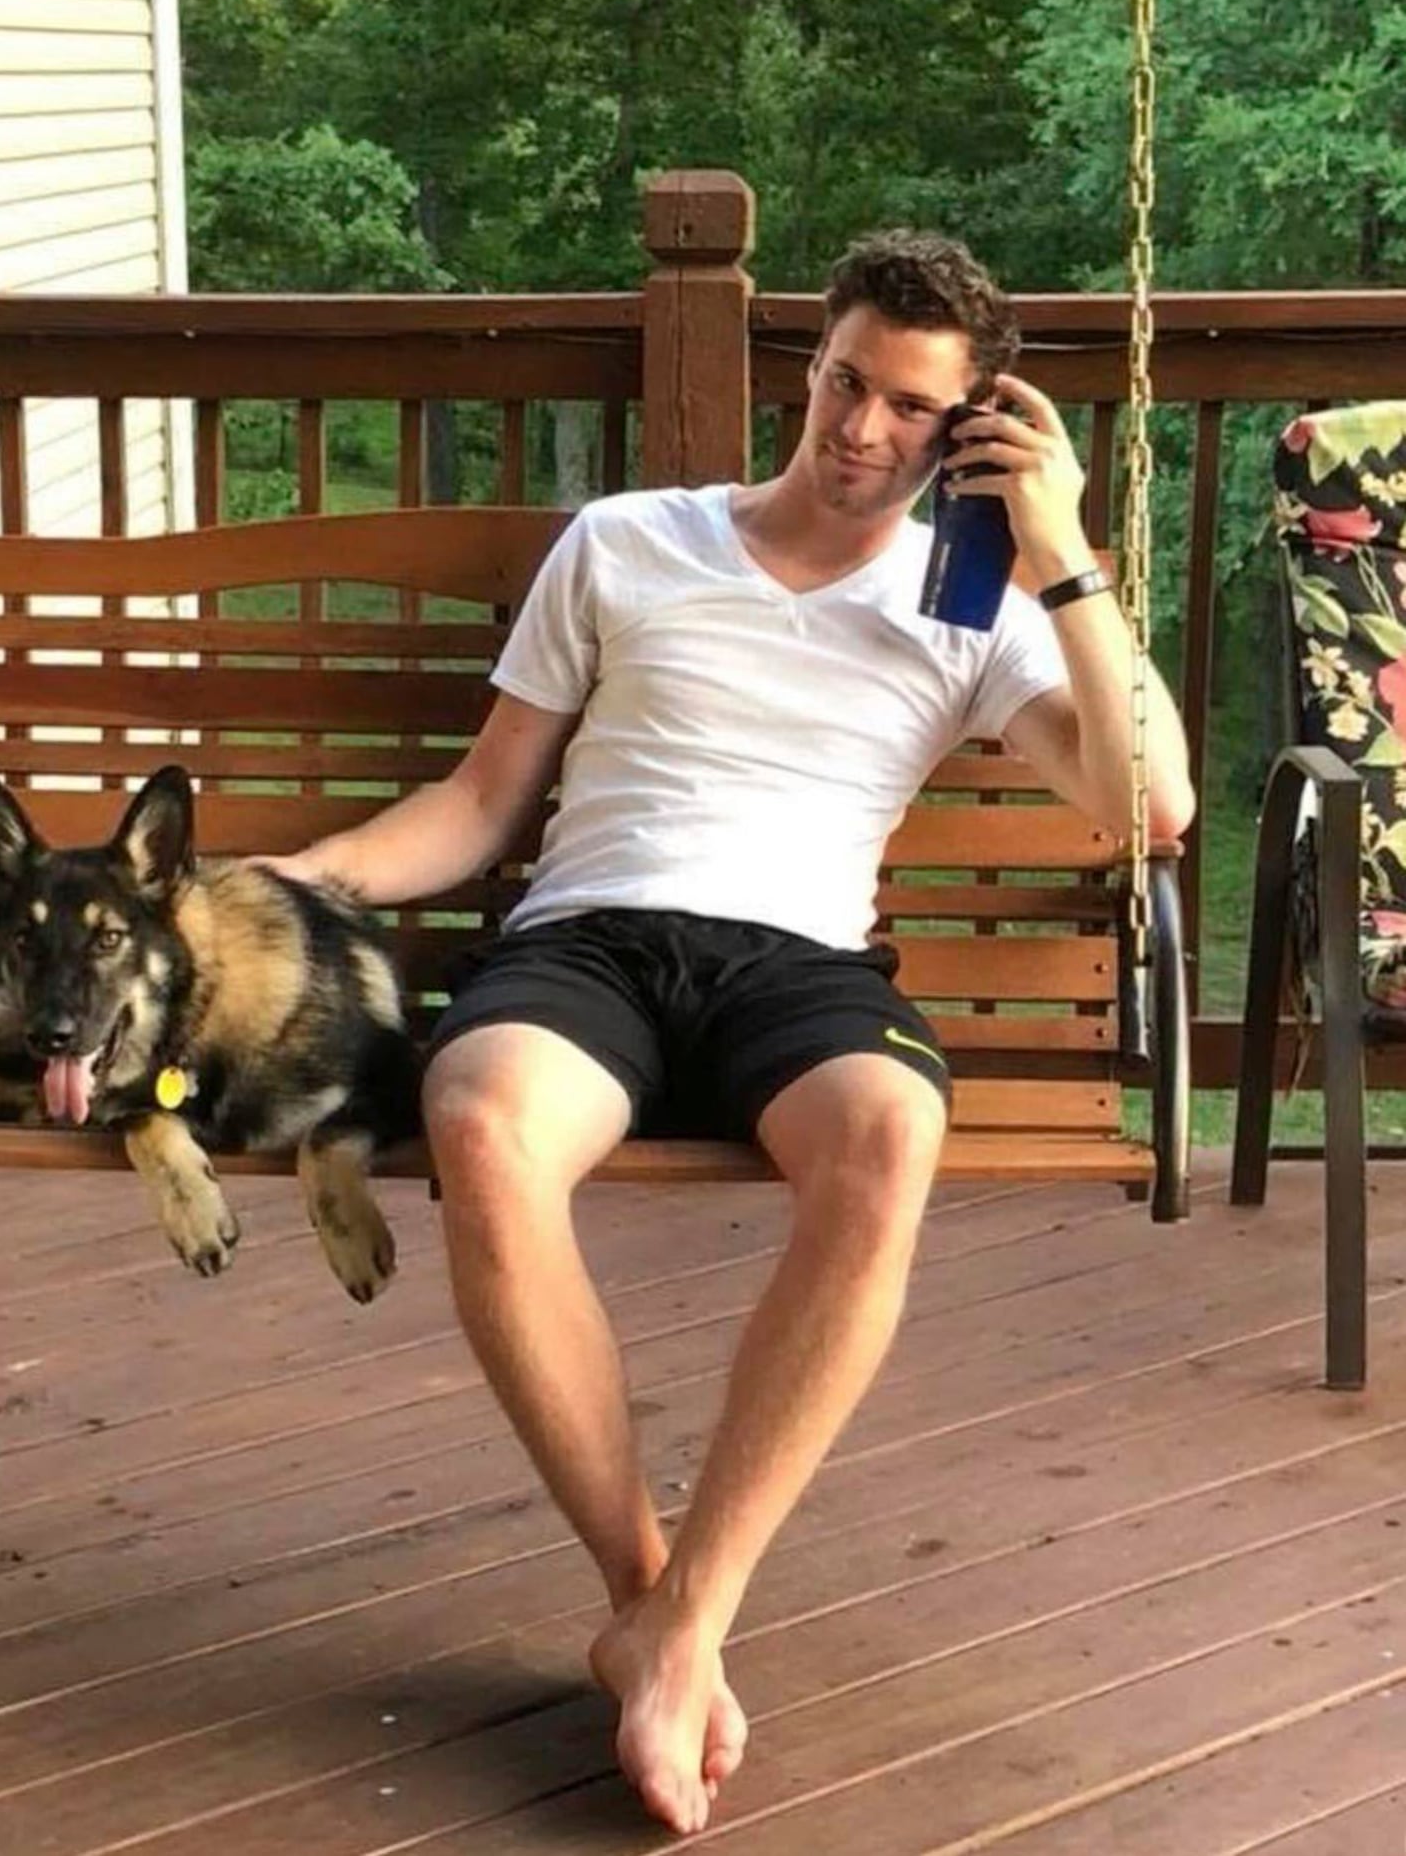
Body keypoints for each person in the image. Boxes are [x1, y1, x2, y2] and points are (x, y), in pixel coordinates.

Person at [268, 231, 1196, 1835]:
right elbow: (482, 805)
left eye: (909, 407)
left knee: (893, 1132)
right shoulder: (630, 542)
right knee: (479, 1119)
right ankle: (660, 1607)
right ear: (811, 366)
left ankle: (679, 1623)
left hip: (800, 966)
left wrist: (1063, 552)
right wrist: (295, 878)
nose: (857, 429)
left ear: (963, 428)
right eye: (843, 381)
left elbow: (1151, 805)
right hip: (592, 944)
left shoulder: (975, 605)